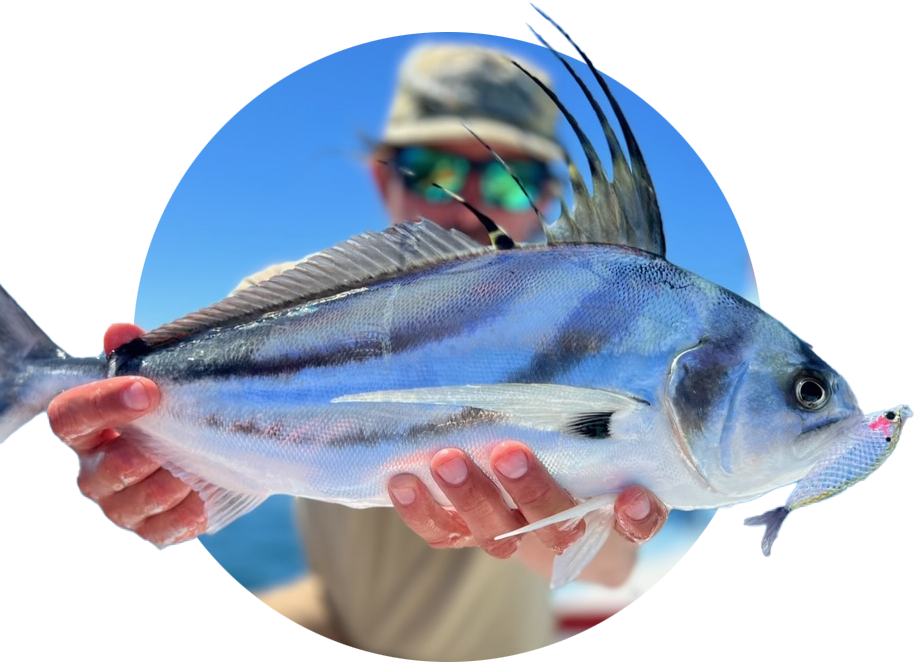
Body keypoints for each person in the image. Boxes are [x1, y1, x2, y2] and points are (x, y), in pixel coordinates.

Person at [49, 44, 669, 662]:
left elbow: (610, 569)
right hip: (329, 624)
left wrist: (550, 525)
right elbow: (206, 461)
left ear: (548, 195)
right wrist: (154, 463)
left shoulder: (597, 331)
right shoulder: (281, 304)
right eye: (439, 167)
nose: (467, 199)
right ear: (385, 175)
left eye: (510, 175)